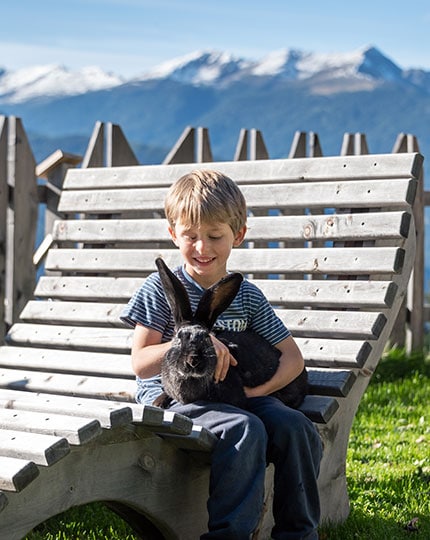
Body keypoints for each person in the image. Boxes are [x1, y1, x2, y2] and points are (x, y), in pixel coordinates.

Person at [121, 169, 323, 540]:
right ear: (172, 234)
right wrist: (191, 341)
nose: (202, 248)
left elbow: (293, 359)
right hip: (176, 400)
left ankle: (299, 533)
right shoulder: (159, 289)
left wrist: (256, 395)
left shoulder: (245, 295)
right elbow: (140, 362)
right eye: (190, 236)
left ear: (238, 235)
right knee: (245, 430)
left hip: (239, 398)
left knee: (295, 427)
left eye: (215, 236)